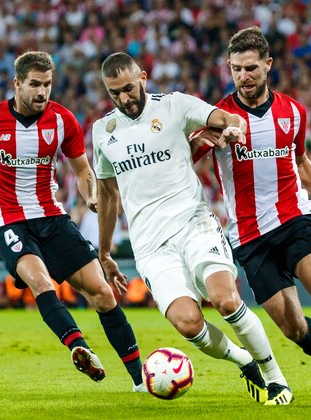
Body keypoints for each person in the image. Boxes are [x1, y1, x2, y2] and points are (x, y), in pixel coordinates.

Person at [192, 27, 311, 399]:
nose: (244, 76)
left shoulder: (292, 111)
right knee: (294, 328)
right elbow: (188, 154)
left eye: (251, 68)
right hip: (249, 236)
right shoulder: (218, 116)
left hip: (295, 219)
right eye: (236, 69)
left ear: (267, 64)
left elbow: (301, 161)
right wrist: (209, 137)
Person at [94, 52, 292, 405]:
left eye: (128, 88)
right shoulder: (102, 132)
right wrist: (104, 251)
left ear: (143, 77)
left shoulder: (174, 106)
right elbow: (108, 195)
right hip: (151, 245)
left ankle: (276, 378)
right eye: (114, 94)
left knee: (226, 300)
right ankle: (243, 359)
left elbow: (225, 116)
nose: (124, 99)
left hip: (194, 224)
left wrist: (232, 126)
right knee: (188, 324)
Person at [0, 51, 145, 391]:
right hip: (6, 219)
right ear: (17, 83)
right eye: (34, 84)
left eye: (47, 84)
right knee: (41, 282)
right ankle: (79, 347)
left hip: (50, 214)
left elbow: (83, 170)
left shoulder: (63, 120)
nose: (41, 92)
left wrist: (91, 194)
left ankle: (141, 382)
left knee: (103, 294)